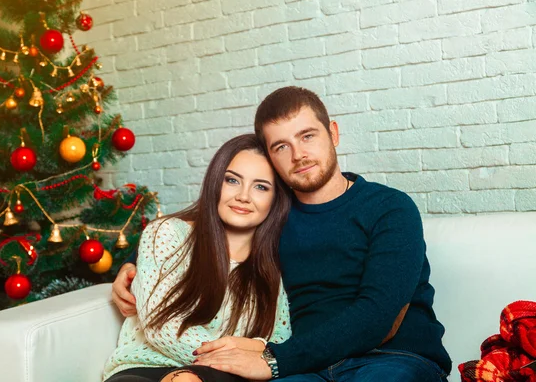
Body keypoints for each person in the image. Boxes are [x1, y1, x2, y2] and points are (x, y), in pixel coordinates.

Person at [113, 86, 452, 382]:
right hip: (305, 371)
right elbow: (201, 229)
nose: (299, 154)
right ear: (270, 158)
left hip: (393, 360)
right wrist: (130, 268)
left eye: (308, 136)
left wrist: (275, 361)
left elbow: (378, 315)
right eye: (281, 147)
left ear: (333, 133)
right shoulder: (271, 216)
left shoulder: (390, 208)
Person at [103, 134, 292, 382]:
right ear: (215, 182)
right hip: (143, 367)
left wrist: (251, 350)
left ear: (275, 199)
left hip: (221, 375)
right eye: (232, 180)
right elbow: (161, 327)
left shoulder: (271, 263)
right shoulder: (167, 233)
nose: (244, 196)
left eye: (261, 187)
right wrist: (239, 350)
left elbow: (280, 338)